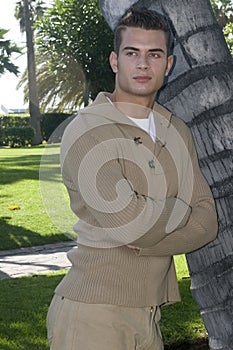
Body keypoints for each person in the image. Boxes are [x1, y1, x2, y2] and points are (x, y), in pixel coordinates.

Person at [46, 6, 218, 350]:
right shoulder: (87, 130)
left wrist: (154, 228)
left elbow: (208, 221)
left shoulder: (175, 129)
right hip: (92, 314)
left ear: (167, 65)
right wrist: (181, 210)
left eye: (154, 54)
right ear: (115, 61)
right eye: (132, 53)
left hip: (149, 317)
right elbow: (131, 223)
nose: (143, 64)